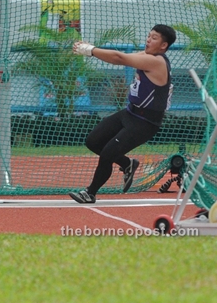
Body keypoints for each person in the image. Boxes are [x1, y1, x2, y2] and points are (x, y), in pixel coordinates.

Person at [69, 24, 177, 204]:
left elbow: (119, 58)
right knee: (93, 142)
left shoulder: (157, 61)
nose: (148, 40)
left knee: (107, 154)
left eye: (154, 38)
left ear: (164, 45)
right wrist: (92, 49)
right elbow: (120, 56)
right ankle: (127, 164)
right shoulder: (148, 56)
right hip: (130, 113)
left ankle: (90, 193)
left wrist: (90, 50)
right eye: (149, 36)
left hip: (145, 122)